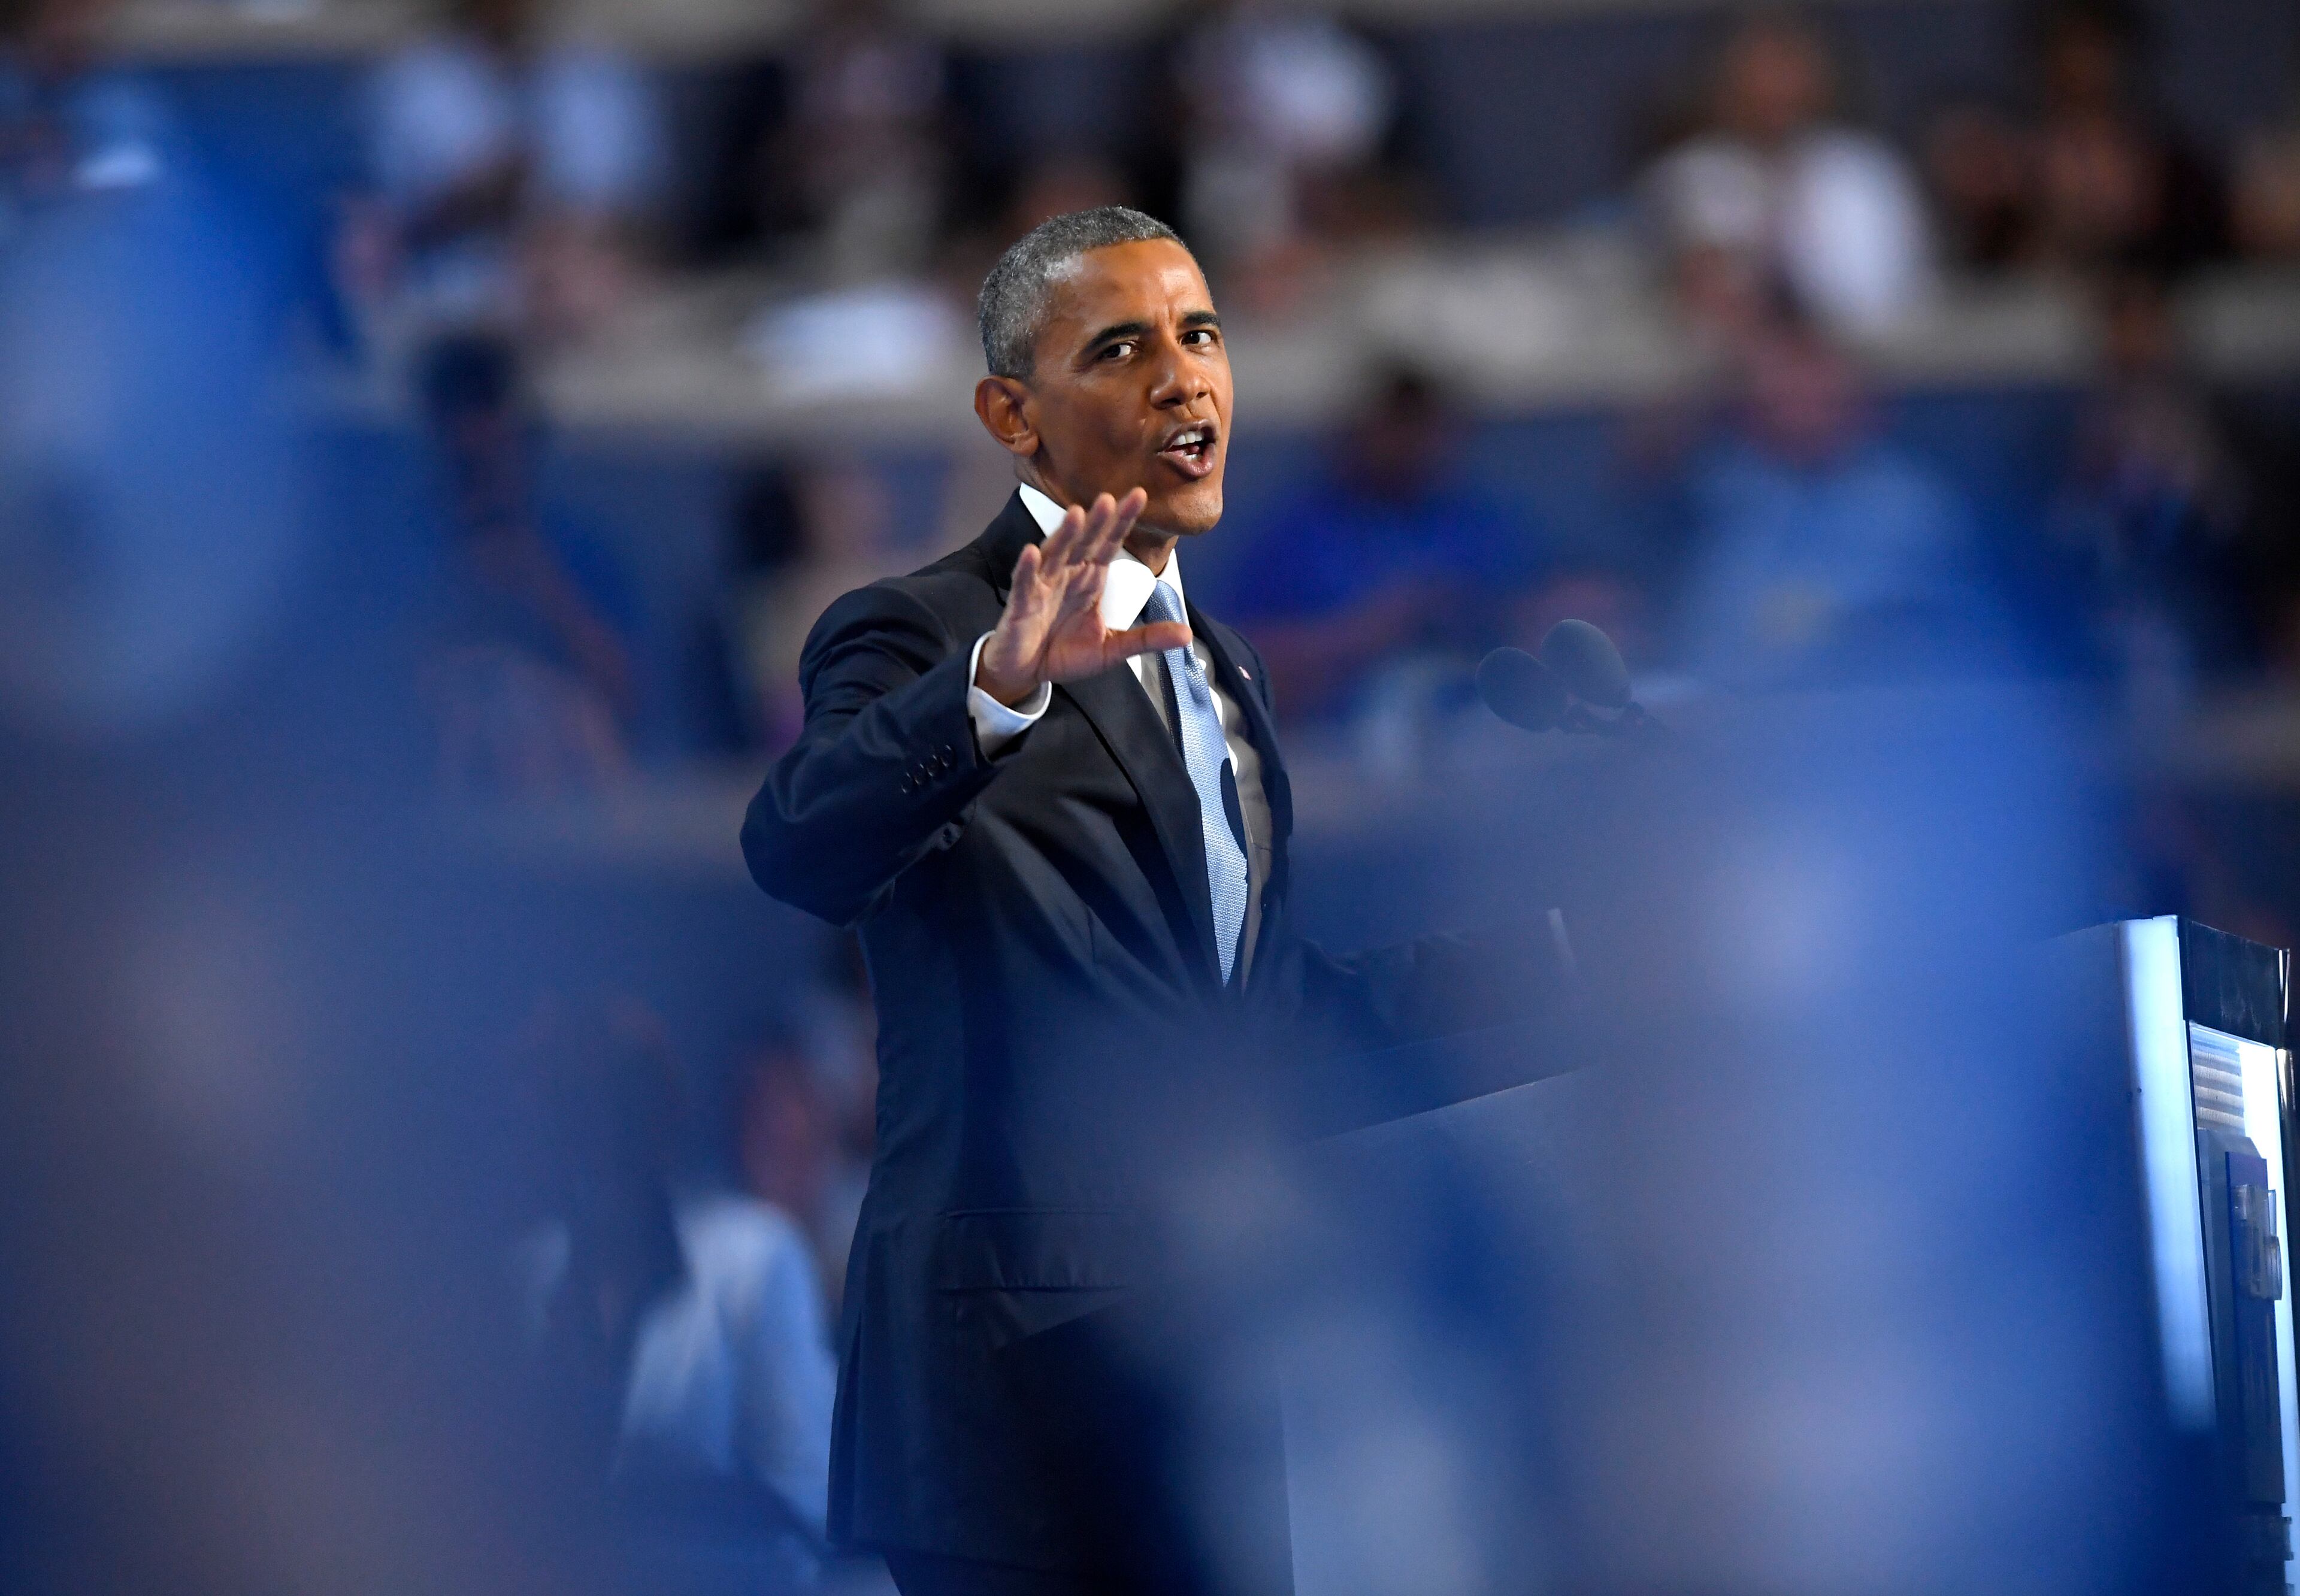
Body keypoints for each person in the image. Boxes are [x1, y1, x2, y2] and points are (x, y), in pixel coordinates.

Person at [740, 207, 1581, 1595]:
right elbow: (797, 843)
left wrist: (1560, 963)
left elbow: (1259, 1022)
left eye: (1200, 334)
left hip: (1206, 1384)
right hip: (1004, 1387)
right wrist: (999, 693)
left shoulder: (1227, 670)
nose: (1184, 378)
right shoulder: (922, 630)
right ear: (1012, 411)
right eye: (1122, 346)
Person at [522, 996, 839, 1573]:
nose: (606, 1133)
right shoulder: (522, 1279)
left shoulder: (754, 1258)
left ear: (670, 1113)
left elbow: (807, 1508)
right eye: (577, 1102)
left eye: (629, 1099)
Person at [1670, 311, 1981, 691]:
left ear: (1861, 405)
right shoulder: (1718, 487)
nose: (1798, 408)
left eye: (1815, 392)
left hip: (1858, 709)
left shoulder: (1909, 504)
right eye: (1780, 394)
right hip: (1716, 706)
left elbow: (1931, 630)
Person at [1218, 367, 1543, 721]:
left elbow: (1545, 609)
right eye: (1397, 426)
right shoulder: (1300, 533)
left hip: (1477, 723)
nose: (1410, 443)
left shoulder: (1478, 518)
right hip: (1338, 743)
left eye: (1423, 427)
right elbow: (1240, 669)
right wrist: (1372, 630)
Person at [1642, 9, 1933, 338]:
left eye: (1787, 67)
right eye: (1758, 69)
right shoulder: (1690, 176)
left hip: (1875, 366)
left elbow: (1897, 294)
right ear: (1726, 81)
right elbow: (1700, 299)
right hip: (1732, 376)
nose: (1774, 87)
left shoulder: (1864, 172)